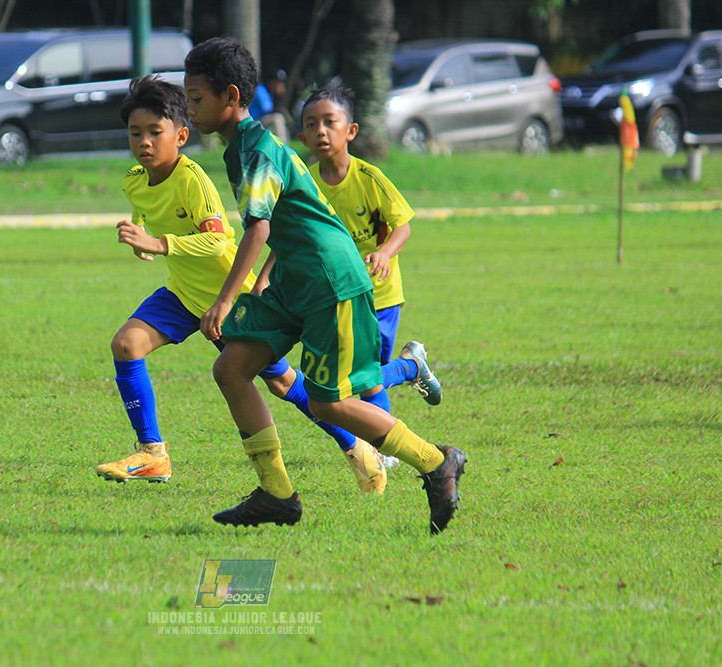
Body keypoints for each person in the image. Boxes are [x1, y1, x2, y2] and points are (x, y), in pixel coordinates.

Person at [184, 37, 467, 534]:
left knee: (328, 401)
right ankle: (276, 494)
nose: (189, 108)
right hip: (296, 281)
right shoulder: (247, 148)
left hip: (329, 280)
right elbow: (285, 222)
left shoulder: (254, 150)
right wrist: (262, 286)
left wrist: (225, 300)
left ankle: (434, 462)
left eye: (195, 98)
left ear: (231, 96)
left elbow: (259, 228)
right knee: (231, 368)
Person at [95, 75, 389, 494]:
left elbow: (219, 239)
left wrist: (159, 244)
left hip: (225, 296)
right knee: (126, 344)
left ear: (180, 136)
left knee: (284, 383)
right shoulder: (134, 179)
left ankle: (357, 447)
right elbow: (144, 205)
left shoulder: (192, 180)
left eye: (154, 132)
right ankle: (152, 454)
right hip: (182, 294)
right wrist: (137, 230)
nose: (143, 142)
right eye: (134, 133)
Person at [297, 87, 441, 412]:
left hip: (380, 294)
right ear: (303, 138)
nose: (321, 130)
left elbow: (402, 226)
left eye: (330, 122)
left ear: (350, 131)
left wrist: (384, 253)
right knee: (359, 376)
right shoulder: (305, 186)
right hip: (337, 297)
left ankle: (384, 443)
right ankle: (410, 370)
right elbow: (294, 235)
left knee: (367, 378)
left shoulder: (369, 178)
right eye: (311, 124)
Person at [248, 69, 289, 143]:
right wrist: (278, 97)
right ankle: (283, 147)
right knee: (277, 118)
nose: (281, 86)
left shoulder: (270, 93)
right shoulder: (261, 90)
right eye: (279, 83)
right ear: (271, 82)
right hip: (252, 124)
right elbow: (268, 110)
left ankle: (278, 148)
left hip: (260, 122)